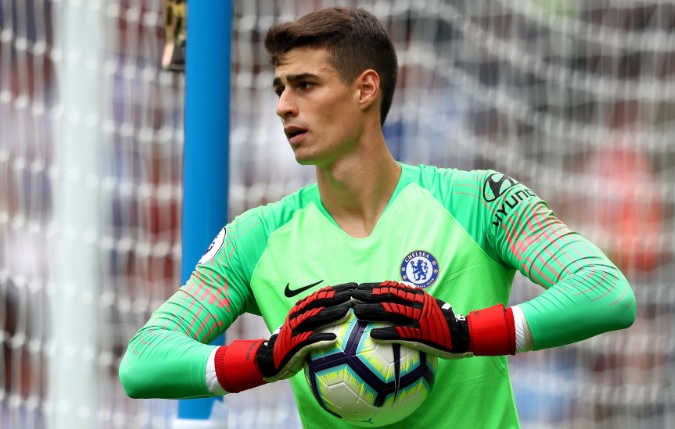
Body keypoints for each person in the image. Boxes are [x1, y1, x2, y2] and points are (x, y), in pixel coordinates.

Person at [119, 6, 636, 428]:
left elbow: (605, 292)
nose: (283, 106)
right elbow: (142, 361)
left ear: (365, 89)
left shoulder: (478, 201)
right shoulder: (255, 238)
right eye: (280, 89)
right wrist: (265, 358)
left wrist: (461, 334)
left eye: (305, 85)